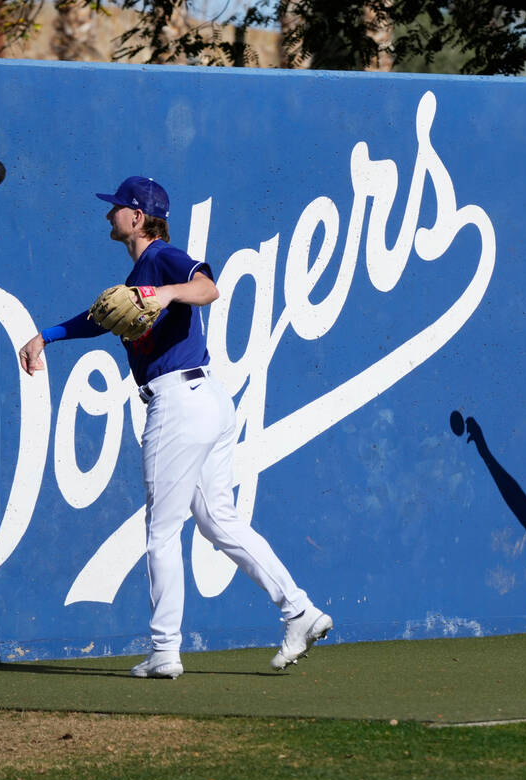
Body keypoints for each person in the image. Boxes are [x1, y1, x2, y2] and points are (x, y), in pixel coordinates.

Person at [18, 176, 333, 677]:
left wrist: (164, 293)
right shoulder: (138, 275)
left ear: (138, 217)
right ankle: (299, 610)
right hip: (206, 399)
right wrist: (46, 337)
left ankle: (165, 650)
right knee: (218, 521)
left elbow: (208, 287)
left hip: (179, 403)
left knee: (162, 532)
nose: (109, 215)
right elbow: (101, 316)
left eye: (117, 208)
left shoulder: (161, 258)